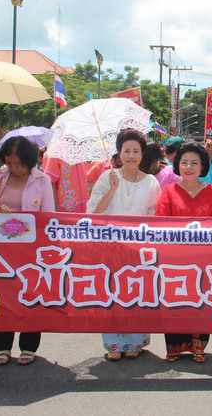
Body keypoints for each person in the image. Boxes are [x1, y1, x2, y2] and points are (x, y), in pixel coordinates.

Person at [87, 129, 161, 361]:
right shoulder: (107, 177)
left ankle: (135, 341)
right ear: (119, 153)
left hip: (139, 249)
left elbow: (154, 215)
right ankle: (113, 343)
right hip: (109, 247)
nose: (131, 155)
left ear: (142, 153)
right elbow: (92, 212)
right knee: (111, 293)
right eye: (126, 151)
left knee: (136, 293)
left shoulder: (151, 182)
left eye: (135, 151)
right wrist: (111, 189)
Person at [0, 136, 55, 367]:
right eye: (9, 163)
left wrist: (21, 220)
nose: (14, 168)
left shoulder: (42, 181)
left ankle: (28, 346)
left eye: (19, 164)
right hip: (1, 248)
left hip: (30, 249)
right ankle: (3, 346)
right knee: (2, 295)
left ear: (29, 162)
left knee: (30, 294)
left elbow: (48, 217)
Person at [156, 142, 212, 363]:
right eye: (184, 162)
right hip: (174, 260)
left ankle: (199, 345)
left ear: (203, 166)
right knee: (175, 301)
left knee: (202, 301)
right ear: (177, 165)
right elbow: (159, 225)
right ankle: (175, 346)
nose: (188, 166)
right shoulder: (168, 192)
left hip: (205, 260)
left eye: (194, 162)